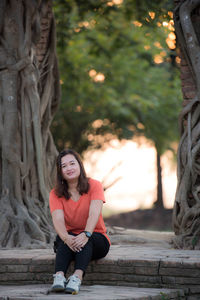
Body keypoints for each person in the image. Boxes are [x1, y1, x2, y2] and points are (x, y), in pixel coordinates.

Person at [49, 149, 110, 295]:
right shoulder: (55, 193)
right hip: (70, 239)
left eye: (72, 163)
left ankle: (76, 278)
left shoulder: (94, 185)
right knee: (64, 240)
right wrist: (66, 238)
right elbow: (57, 219)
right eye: (64, 166)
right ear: (60, 171)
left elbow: (94, 213)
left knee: (85, 240)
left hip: (97, 238)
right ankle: (59, 277)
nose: (69, 168)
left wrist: (86, 233)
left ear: (79, 165)